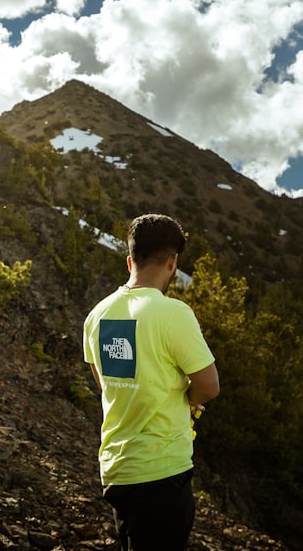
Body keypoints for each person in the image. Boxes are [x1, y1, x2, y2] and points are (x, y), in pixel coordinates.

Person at [83, 213, 220, 550]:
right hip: (161, 472)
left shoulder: (96, 315)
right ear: (172, 262)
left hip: (116, 470)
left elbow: (106, 384)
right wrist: (188, 398)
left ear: (130, 259)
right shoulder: (173, 313)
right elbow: (209, 386)